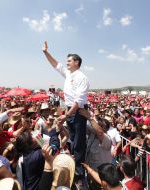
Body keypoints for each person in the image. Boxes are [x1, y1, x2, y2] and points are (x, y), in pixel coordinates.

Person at [42, 41, 90, 187]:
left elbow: (79, 101)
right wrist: (45, 52)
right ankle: (74, 164)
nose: (66, 63)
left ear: (77, 62)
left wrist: (67, 115)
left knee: (79, 142)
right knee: (74, 139)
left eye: (69, 61)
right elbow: (56, 65)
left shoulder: (82, 77)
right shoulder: (69, 73)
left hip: (78, 111)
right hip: (71, 110)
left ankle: (79, 172)